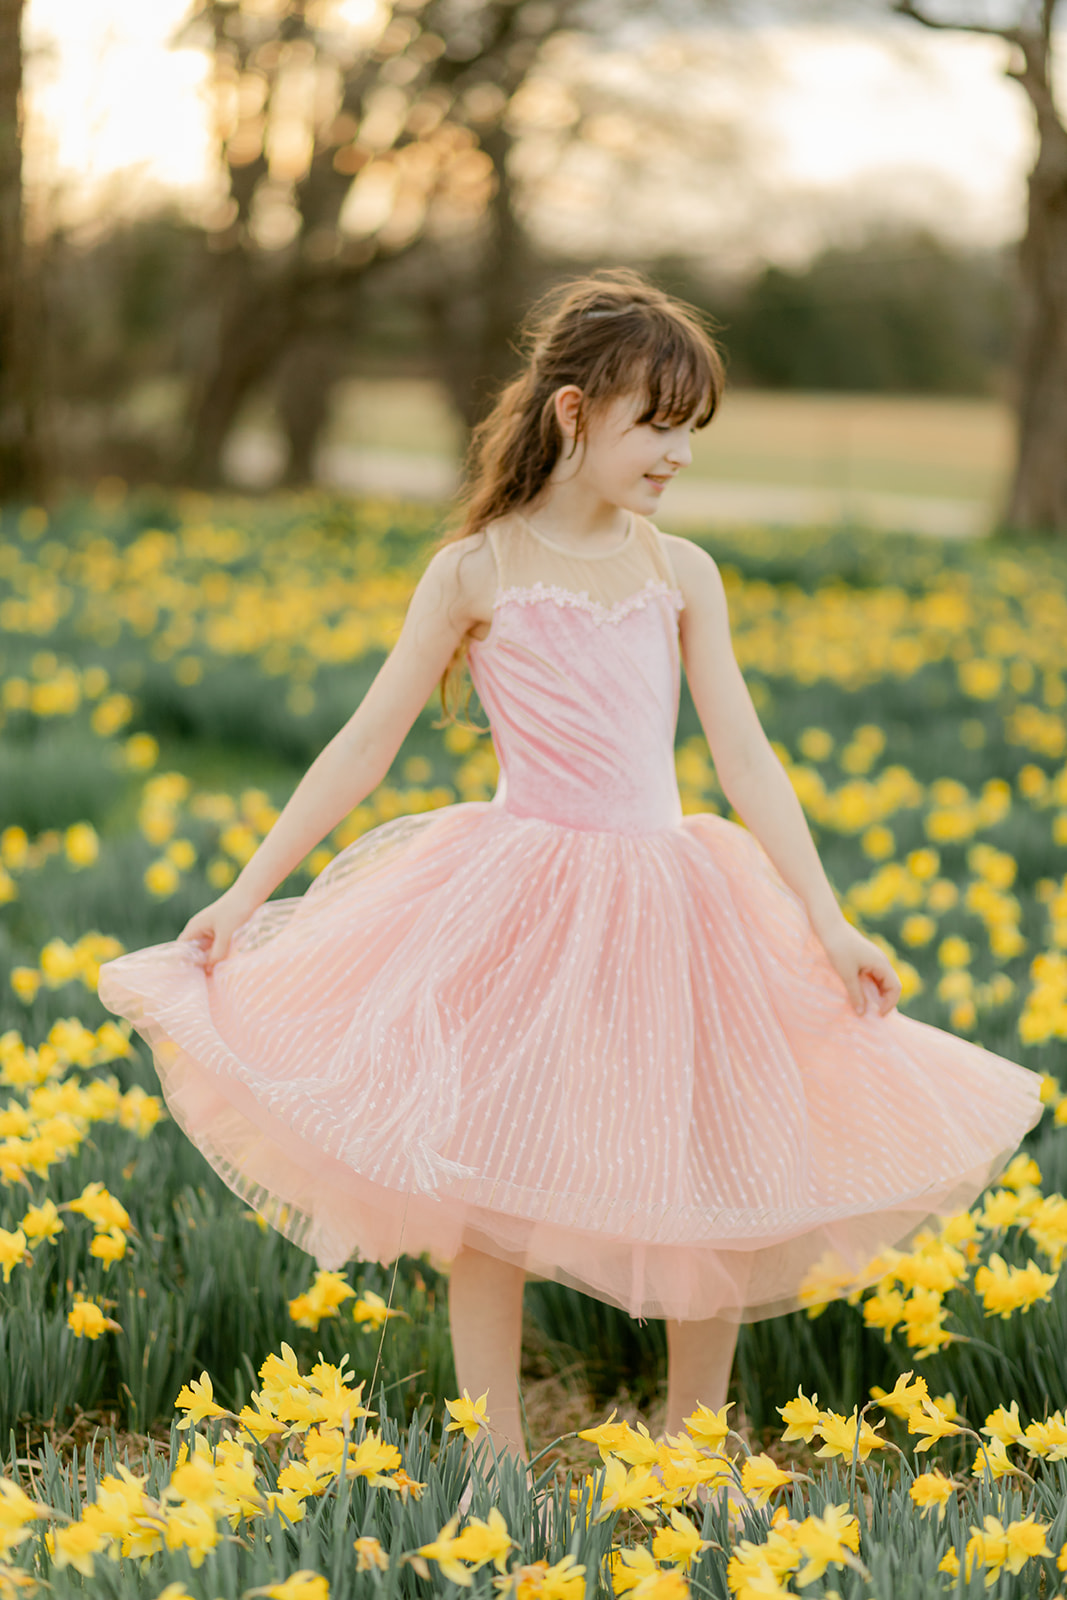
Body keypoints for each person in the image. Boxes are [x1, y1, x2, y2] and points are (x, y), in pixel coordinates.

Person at [96, 268, 1044, 1472]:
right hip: (516, 899)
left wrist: (827, 919)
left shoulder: (679, 572)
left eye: (691, 431)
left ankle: (692, 1450)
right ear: (572, 412)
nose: (676, 455)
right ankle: (492, 1460)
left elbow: (745, 760)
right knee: (490, 1174)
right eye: (656, 425)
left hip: (672, 896)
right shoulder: (474, 570)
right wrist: (243, 892)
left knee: (712, 1161)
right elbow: (364, 742)